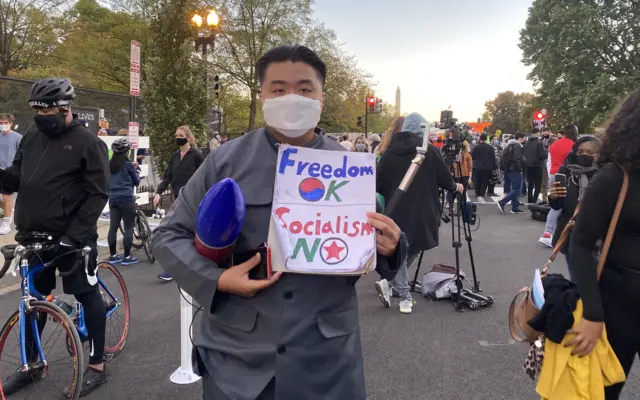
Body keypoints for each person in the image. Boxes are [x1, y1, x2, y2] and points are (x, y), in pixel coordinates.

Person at [152, 45, 407, 400]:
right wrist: (218, 279)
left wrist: (392, 247)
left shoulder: (351, 169)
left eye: (304, 89)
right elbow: (167, 236)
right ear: (263, 95)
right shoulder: (224, 161)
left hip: (324, 363)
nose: (292, 98)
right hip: (236, 362)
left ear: (321, 97)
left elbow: (373, 247)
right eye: (278, 89)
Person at [0, 78, 109, 396]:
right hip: (34, 237)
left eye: (48, 108)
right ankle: (32, 365)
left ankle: (98, 365)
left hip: (71, 239)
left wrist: (74, 236)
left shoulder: (89, 143)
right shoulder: (32, 136)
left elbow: (97, 194)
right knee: (32, 301)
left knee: (86, 296)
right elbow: (16, 180)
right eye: (37, 109)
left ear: (66, 108)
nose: (42, 114)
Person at [568, 90, 640, 399]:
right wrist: (593, 314)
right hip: (616, 304)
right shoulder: (614, 178)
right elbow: (580, 244)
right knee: (602, 392)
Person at [375, 112, 462, 314]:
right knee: (412, 248)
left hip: (396, 207)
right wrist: (455, 186)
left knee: (400, 249)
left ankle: (391, 283)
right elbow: (444, 179)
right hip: (424, 207)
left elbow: (378, 182)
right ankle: (404, 295)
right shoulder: (428, 151)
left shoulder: (390, 152)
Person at [153, 125, 204, 282]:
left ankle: (195, 265)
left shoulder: (195, 155)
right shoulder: (175, 156)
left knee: (190, 233)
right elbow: (168, 175)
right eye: (176, 135)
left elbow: (204, 174)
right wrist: (158, 192)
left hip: (192, 199)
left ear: (188, 138)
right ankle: (173, 269)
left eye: (180, 135)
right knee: (175, 232)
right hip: (177, 198)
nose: (177, 137)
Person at [543, 136, 601, 261]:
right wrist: (553, 197)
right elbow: (558, 205)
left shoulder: (604, 175)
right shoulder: (566, 171)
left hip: (596, 237)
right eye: (580, 151)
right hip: (570, 235)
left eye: (590, 153)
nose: (584, 155)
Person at [107, 137, 141, 265]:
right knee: (128, 227)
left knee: (113, 227)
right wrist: (136, 170)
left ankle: (113, 255)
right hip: (126, 198)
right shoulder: (128, 165)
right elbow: (137, 182)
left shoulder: (108, 165)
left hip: (113, 199)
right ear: (126, 152)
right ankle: (127, 257)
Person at [543, 125, 578, 236]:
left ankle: (548, 232)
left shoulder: (554, 144)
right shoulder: (574, 146)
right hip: (566, 176)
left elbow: (548, 161)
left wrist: (550, 174)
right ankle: (559, 233)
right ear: (574, 133)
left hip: (553, 173)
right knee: (567, 205)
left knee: (556, 205)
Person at [0, 113, 22, 235]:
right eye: (1, 123)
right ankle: (10, 211)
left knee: (6, 196)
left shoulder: (18, 137)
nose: (3, 125)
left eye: (5, 123)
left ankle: (6, 224)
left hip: (10, 171)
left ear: (11, 124)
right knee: (4, 200)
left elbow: (22, 154)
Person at [498, 132, 526, 213]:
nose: (524, 140)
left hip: (508, 169)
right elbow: (517, 159)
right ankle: (503, 202)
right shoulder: (518, 146)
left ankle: (515, 206)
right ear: (520, 138)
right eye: (523, 138)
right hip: (515, 169)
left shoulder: (509, 145)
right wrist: (520, 169)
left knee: (514, 188)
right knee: (517, 189)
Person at [523, 127, 547, 204]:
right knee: (538, 184)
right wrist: (546, 151)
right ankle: (535, 200)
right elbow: (541, 155)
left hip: (528, 165)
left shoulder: (526, 143)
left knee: (530, 183)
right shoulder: (539, 143)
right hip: (537, 165)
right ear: (537, 133)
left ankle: (530, 199)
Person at [471, 133, 497, 203]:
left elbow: (472, 157)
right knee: (484, 182)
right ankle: (481, 196)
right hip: (488, 167)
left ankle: (477, 193)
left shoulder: (476, 147)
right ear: (486, 139)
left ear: (480, 139)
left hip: (478, 166)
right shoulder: (490, 147)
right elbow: (493, 158)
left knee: (478, 181)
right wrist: (495, 167)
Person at [540, 127, 552, 204]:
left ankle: (552, 199)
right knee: (543, 182)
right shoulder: (541, 140)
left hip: (551, 162)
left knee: (552, 182)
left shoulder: (554, 140)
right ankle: (544, 199)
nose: (545, 134)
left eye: (546, 133)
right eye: (543, 133)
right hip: (543, 163)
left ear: (549, 132)